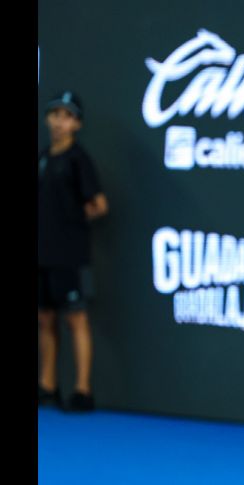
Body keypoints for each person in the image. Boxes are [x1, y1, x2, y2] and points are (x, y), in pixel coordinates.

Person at [38, 91, 109, 412]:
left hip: (71, 255)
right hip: (43, 255)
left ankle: (82, 390)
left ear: (76, 124)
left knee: (76, 319)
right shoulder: (43, 158)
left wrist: (71, 222)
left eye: (67, 116)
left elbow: (99, 205)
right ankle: (47, 385)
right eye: (55, 114)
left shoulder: (79, 160)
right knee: (45, 318)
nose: (59, 121)